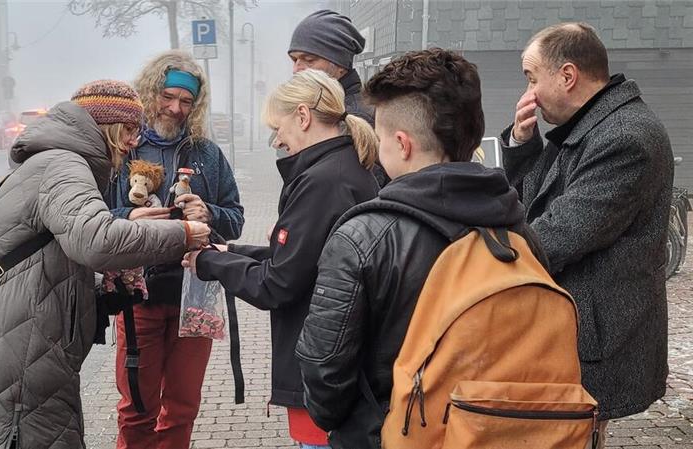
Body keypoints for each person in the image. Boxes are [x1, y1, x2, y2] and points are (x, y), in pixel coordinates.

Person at [295, 49, 542, 449]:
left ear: (403, 144)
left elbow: (325, 370)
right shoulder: (517, 230)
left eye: (378, 139)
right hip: (496, 434)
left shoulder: (361, 238)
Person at [0, 80, 210, 449]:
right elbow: (96, 240)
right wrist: (182, 234)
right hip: (22, 349)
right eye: (129, 130)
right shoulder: (63, 165)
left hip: (25, 341)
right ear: (108, 126)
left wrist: (101, 288)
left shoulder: (57, 161)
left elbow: (48, 260)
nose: (133, 142)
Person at [183, 69, 379, 449]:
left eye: (279, 126)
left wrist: (208, 263)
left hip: (323, 369)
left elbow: (278, 284)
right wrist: (232, 252)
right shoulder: (343, 169)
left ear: (303, 117)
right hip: (339, 365)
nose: (277, 138)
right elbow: (300, 260)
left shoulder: (324, 182)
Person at [500, 22, 672, 443]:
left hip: (598, 338)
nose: (530, 94)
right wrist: (523, 144)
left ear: (568, 75)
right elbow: (536, 198)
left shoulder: (625, 137)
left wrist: (480, 255)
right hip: (580, 327)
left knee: (578, 435)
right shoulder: (591, 124)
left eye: (531, 77)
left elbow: (558, 234)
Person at [106, 50, 244, 449]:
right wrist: (128, 217)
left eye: (186, 101)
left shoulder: (207, 154)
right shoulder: (125, 149)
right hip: (138, 296)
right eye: (168, 97)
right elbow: (93, 218)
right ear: (150, 93)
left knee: (182, 407)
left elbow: (234, 218)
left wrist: (210, 211)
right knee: (137, 409)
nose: (175, 108)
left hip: (196, 294)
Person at [287, 9, 388, 188]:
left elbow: (355, 196)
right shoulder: (324, 108)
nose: (297, 69)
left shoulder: (353, 118)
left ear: (340, 66)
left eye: (308, 59)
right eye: (294, 60)